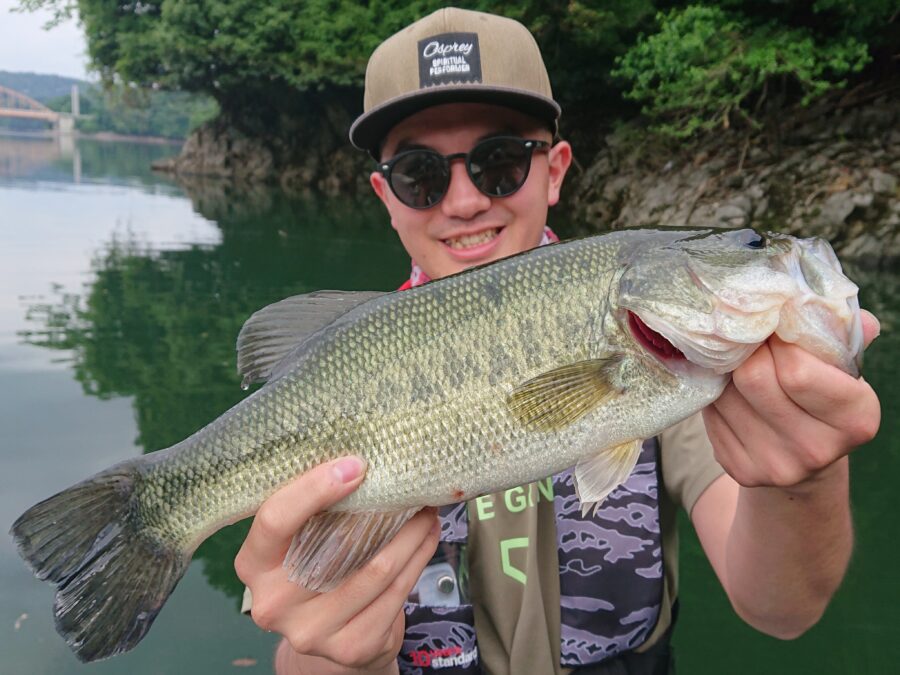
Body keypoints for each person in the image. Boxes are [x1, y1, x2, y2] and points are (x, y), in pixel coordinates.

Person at [234, 8, 881, 675]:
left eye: (500, 162)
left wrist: (803, 483)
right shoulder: (346, 362)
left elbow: (782, 608)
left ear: (554, 168)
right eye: (420, 174)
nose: (463, 201)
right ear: (385, 196)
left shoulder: (682, 367)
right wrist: (337, 651)